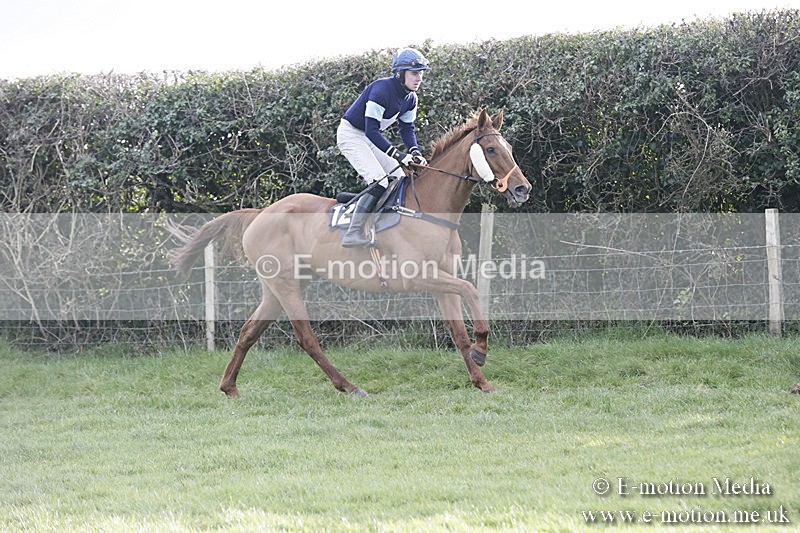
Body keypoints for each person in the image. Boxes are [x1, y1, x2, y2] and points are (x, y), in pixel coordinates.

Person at [337, 47, 429, 247]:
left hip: (370, 137)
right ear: (399, 74)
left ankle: (367, 206)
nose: (419, 78)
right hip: (352, 135)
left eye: (421, 73)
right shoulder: (381, 90)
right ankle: (353, 233)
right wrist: (398, 155)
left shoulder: (411, 99)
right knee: (380, 181)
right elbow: (371, 130)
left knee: (400, 178)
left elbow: (407, 129)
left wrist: (414, 152)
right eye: (414, 73)